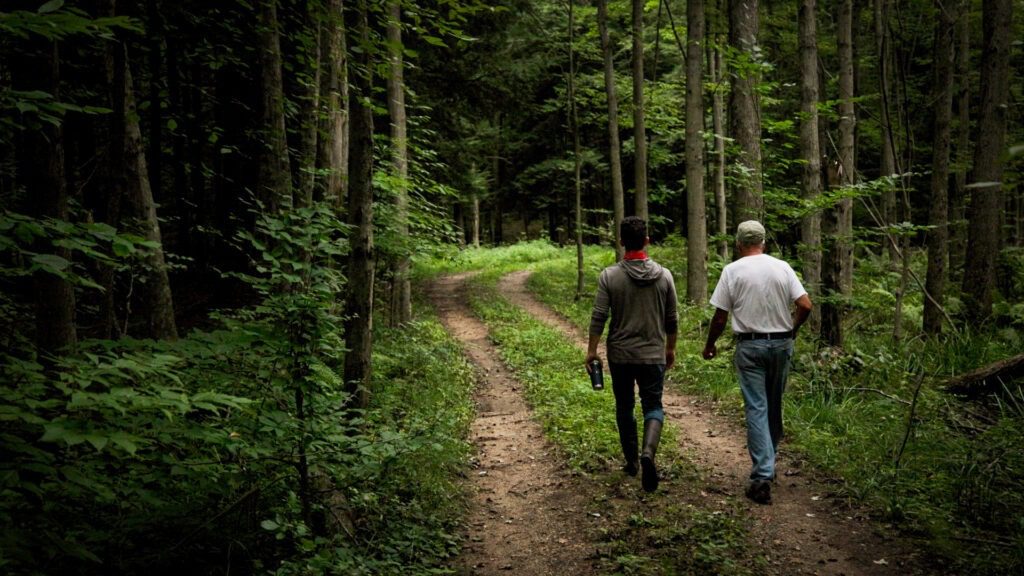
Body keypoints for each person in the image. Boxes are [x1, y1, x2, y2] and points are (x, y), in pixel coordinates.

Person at [702, 220, 812, 505]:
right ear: (763, 242)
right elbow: (805, 305)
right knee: (773, 404)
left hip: (749, 346)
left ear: (739, 244)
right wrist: (792, 329)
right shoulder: (782, 267)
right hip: (781, 344)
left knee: (756, 407)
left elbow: (721, 316)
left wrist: (710, 343)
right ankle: (768, 463)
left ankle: (762, 474)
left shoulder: (732, 271)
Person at [586, 216, 678, 492]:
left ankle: (631, 462)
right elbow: (671, 318)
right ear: (647, 241)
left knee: (624, 405)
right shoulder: (664, 275)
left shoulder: (610, 276)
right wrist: (670, 348)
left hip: (621, 355)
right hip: (653, 354)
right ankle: (648, 453)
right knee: (653, 405)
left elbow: (599, 316)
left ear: (622, 242)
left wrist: (592, 350)